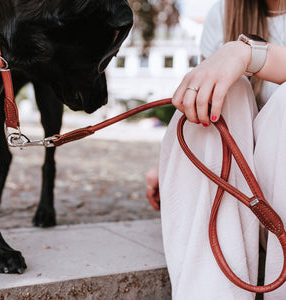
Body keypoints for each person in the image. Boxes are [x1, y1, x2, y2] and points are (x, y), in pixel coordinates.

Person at [148, 0, 286, 299]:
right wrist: (169, 165)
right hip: (245, 190)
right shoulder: (223, 14)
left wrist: (246, 52)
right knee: (220, 93)